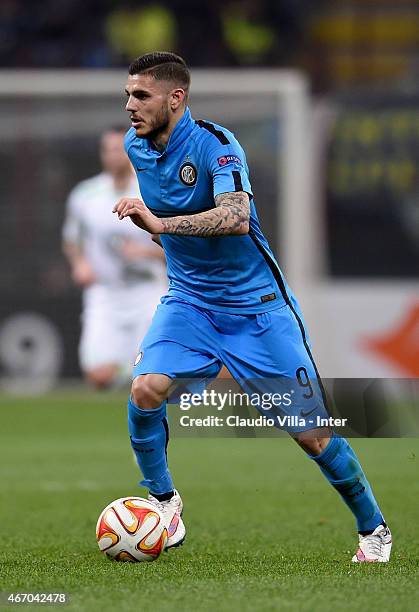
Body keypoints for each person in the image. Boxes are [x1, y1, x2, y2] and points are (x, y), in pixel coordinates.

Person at [113, 52, 392, 562]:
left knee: (313, 436)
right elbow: (171, 213)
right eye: (128, 94)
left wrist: (159, 225)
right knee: (145, 389)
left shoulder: (218, 146)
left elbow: (236, 217)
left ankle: (373, 528)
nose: (130, 105)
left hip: (257, 311)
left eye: (141, 96)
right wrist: (163, 239)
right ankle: (162, 502)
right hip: (189, 303)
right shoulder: (136, 145)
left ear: (177, 99)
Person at [63, 126, 167, 389]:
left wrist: (144, 252)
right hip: (105, 292)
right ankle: (128, 373)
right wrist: (80, 264)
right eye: (107, 150)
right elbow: (72, 239)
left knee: (154, 378)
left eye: (118, 150)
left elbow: (177, 245)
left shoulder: (152, 191)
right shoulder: (85, 194)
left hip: (148, 292)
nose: (112, 156)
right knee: (98, 376)